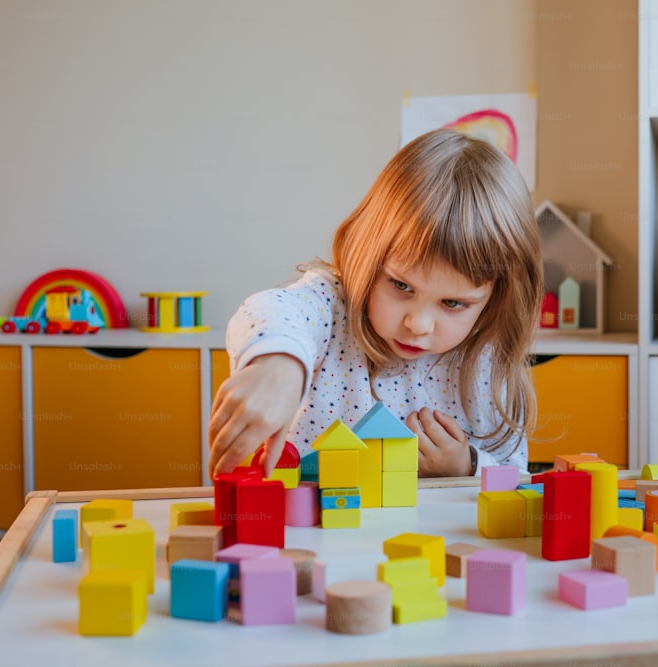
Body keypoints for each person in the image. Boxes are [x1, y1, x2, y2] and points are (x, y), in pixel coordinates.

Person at [208, 128, 543, 480]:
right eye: (401, 285)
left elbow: (515, 478)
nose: (418, 323)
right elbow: (273, 310)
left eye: (454, 303)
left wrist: (466, 467)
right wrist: (279, 364)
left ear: (495, 299)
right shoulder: (331, 307)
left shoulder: (486, 366)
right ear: (368, 253)